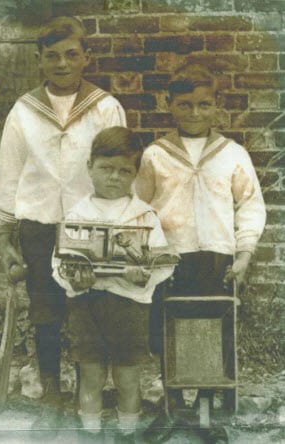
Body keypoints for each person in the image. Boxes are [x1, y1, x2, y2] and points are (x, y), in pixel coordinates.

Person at [0, 16, 126, 434]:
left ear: (86, 57)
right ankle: (51, 389)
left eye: (71, 54)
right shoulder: (24, 110)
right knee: (46, 311)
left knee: (92, 310)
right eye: (52, 56)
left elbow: (120, 168)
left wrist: (119, 220)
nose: (62, 64)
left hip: (91, 224)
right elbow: (8, 173)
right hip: (38, 225)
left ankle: (91, 396)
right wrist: (6, 239)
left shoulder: (105, 107)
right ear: (39, 61)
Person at [135, 63, 266, 443]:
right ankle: (172, 406)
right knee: (167, 331)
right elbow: (139, 207)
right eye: (186, 105)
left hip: (216, 257)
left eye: (204, 105)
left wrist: (243, 253)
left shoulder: (232, 154)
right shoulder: (155, 155)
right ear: (169, 104)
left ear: (217, 105)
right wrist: (146, 251)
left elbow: (251, 205)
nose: (195, 113)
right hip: (170, 258)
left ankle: (205, 410)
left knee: (212, 330)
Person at [52, 126, 174, 443]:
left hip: (129, 306)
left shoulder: (144, 216)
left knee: (127, 375)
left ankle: (127, 433)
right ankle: (90, 433)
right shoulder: (77, 213)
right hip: (86, 305)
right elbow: (58, 262)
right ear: (90, 167)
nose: (114, 177)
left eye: (124, 171)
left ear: (135, 173)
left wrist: (144, 275)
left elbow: (162, 262)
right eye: (106, 168)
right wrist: (74, 278)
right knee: (90, 374)